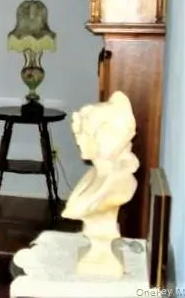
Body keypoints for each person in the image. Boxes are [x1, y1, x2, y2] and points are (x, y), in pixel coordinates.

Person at [62, 91, 139, 277]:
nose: (78, 139)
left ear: (106, 137)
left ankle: (101, 252)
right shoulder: (92, 176)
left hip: (103, 260)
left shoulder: (121, 184)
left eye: (84, 133)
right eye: (78, 132)